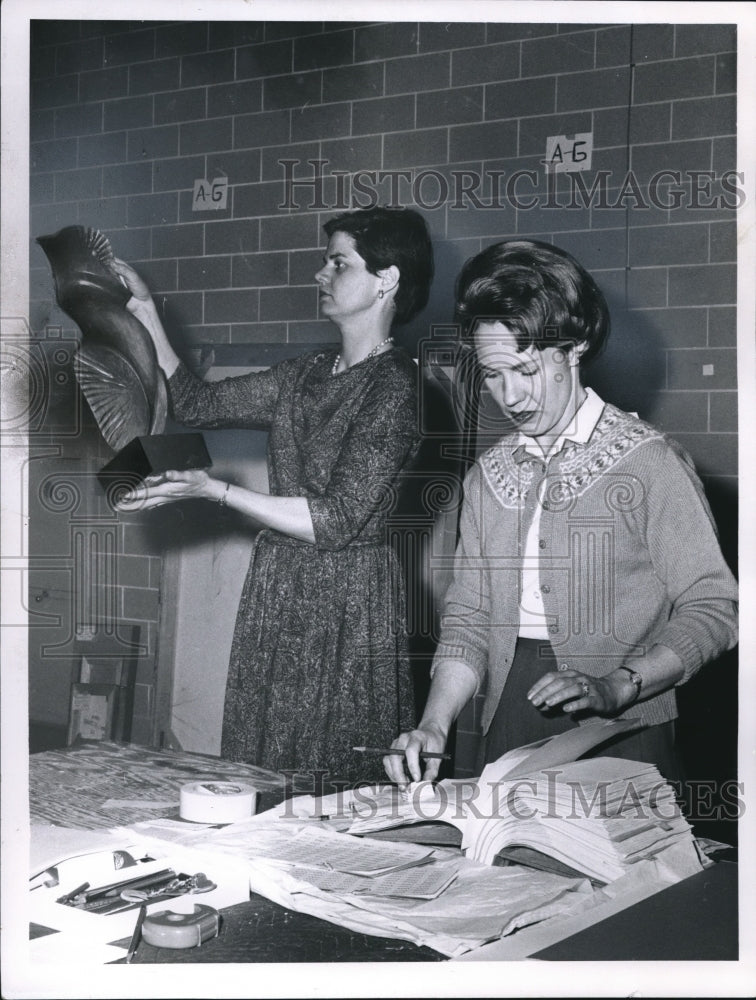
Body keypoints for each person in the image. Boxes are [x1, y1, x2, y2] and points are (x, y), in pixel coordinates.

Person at [384, 239, 738, 787]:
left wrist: (621, 685)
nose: (510, 395)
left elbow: (714, 607)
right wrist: (434, 726)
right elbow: (470, 620)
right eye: (493, 375)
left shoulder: (648, 462)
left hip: (623, 725)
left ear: (571, 349)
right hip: (509, 709)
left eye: (524, 370)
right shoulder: (488, 478)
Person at [113, 206, 434, 783]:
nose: (321, 274)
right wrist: (143, 311)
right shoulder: (307, 372)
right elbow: (196, 403)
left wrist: (214, 490)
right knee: (261, 772)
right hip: (279, 588)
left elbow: (334, 520)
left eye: (339, 263)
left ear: (387, 280)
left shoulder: (396, 389)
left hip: (347, 604)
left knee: (329, 784)